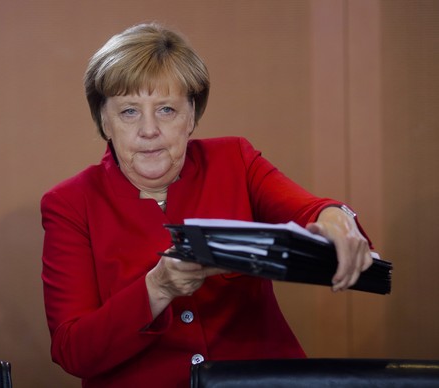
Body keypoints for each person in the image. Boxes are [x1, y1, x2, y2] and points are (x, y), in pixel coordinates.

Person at [40, 23, 373, 388]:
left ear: (192, 114)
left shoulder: (235, 160)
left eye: (166, 109)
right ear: (104, 120)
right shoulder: (69, 204)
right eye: (129, 112)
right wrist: (158, 288)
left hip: (259, 382)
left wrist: (338, 218)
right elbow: (73, 350)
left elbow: (310, 211)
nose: (149, 130)